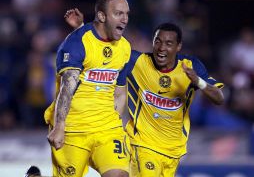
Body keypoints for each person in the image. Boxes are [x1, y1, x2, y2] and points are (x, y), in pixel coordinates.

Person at [67, 14, 224, 177]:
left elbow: (219, 98)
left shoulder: (191, 66)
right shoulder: (137, 62)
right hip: (141, 145)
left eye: (169, 43)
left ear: (178, 46)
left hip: (174, 150)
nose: (162, 48)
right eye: (158, 41)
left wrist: (198, 81)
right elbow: (104, 49)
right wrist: (80, 28)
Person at [45, 0, 131, 177]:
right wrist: (60, 127)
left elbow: (120, 92)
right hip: (73, 130)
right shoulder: (76, 43)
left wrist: (115, 124)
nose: (125, 19)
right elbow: (67, 88)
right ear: (101, 15)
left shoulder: (124, 47)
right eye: (119, 13)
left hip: (107, 129)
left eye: (127, 14)